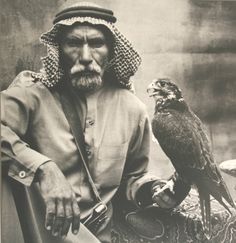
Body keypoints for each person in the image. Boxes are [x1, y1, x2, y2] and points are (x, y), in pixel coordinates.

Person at [1, 1, 190, 242]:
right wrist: (43, 169)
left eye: (97, 44)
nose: (86, 56)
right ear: (59, 49)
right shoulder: (33, 93)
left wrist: (153, 190)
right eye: (74, 43)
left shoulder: (132, 109)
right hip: (36, 229)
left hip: (94, 233)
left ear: (111, 51)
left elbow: (132, 178)